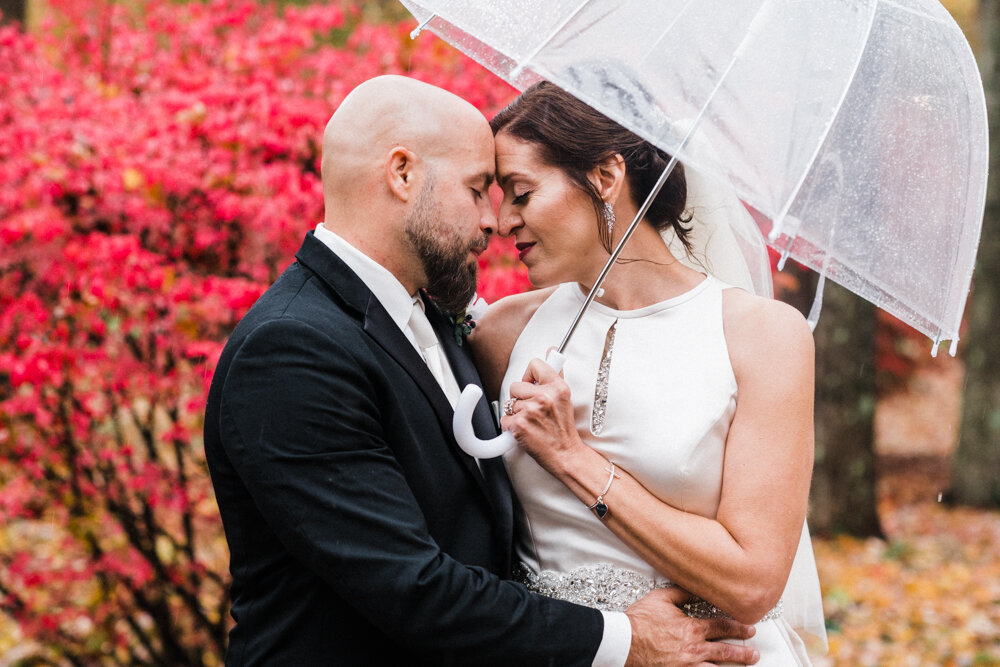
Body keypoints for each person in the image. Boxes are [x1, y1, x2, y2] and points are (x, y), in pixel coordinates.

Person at [203, 75, 762, 665]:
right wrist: (627, 639)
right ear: (402, 175)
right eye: (477, 190)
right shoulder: (294, 350)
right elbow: (414, 589)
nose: (493, 222)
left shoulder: (440, 322)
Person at [472, 81, 827, 666]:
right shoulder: (503, 334)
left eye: (521, 193)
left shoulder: (762, 337)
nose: (503, 221)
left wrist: (572, 459)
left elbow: (752, 582)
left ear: (606, 178)